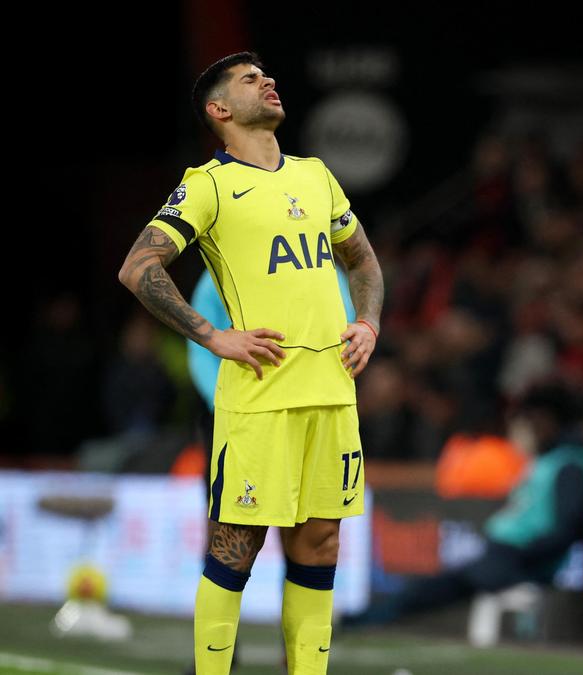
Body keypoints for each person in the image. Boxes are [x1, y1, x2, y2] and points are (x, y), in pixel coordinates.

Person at [117, 51, 384, 675]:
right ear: (219, 109)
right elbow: (137, 267)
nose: (268, 82)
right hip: (260, 400)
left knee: (321, 545)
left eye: (266, 75)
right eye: (249, 79)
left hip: (332, 393)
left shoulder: (317, 175)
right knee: (236, 550)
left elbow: (363, 260)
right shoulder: (207, 185)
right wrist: (212, 336)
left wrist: (368, 321)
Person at [345, 382, 583, 625]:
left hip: (518, 560)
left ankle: (366, 619)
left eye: (533, 420)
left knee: (439, 587)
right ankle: (368, 618)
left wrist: (521, 558)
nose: (528, 428)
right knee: (433, 587)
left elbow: (568, 528)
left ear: (550, 420)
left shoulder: (569, 466)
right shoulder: (547, 460)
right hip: (505, 556)